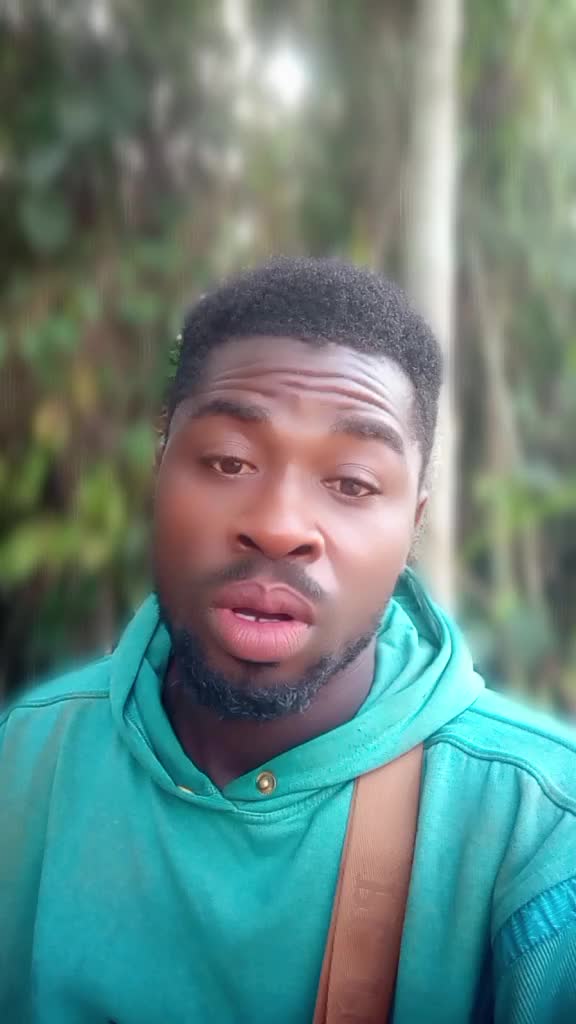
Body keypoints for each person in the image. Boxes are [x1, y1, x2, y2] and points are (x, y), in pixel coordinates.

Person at [1, 257, 575, 1024]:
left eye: (352, 483)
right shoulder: (26, 757)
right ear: (160, 466)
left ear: (414, 522)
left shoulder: (540, 833)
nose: (277, 526)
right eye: (229, 461)